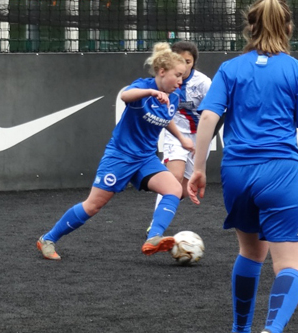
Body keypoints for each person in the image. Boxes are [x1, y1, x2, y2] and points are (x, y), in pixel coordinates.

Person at [187, 0, 298, 333]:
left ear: (249, 27)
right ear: (289, 29)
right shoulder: (297, 70)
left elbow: (208, 117)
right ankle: (271, 331)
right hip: (280, 172)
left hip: (237, 173)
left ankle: (240, 330)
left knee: (250, 252)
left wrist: (199, 168)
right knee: (291, 263)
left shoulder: (230, 69)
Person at [36, 42, 192, 260]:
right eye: (177, 75)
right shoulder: (143, 88)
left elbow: (165, 120)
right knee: (93, 206)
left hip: (145, 159)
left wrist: (182, 138)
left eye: (183, 76)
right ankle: (48, 238)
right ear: (162, 71)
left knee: (174, 189)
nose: (180, 81)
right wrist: (150, 92)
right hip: (120, 156)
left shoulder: (173, 96)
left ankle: (153, 238)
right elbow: (125, 96)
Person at [149, 41, 212, 235]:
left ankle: (162, 215)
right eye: (181, 61)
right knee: (172, 177)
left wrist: (206, 138)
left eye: (188, 61)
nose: (184, 67)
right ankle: (156, 225)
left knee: (183, 189)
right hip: (175, 134)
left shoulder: (203, 83)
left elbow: (216, 112)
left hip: (199, 138)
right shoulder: (166, 80)